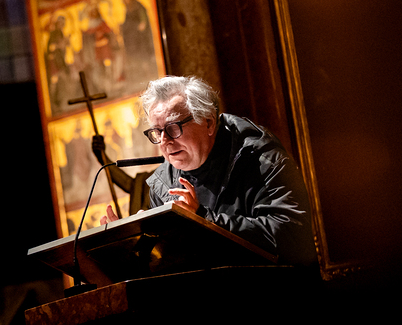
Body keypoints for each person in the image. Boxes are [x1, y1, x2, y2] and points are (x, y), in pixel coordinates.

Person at [100, 75, 316, 266]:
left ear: (209, 123)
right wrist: (129, 241)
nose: (164, 141)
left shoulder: (261, 160)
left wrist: (204, 219)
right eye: (157, 132)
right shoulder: (164, 183)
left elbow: (294, 237)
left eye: (173, 128)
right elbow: (169, 262)